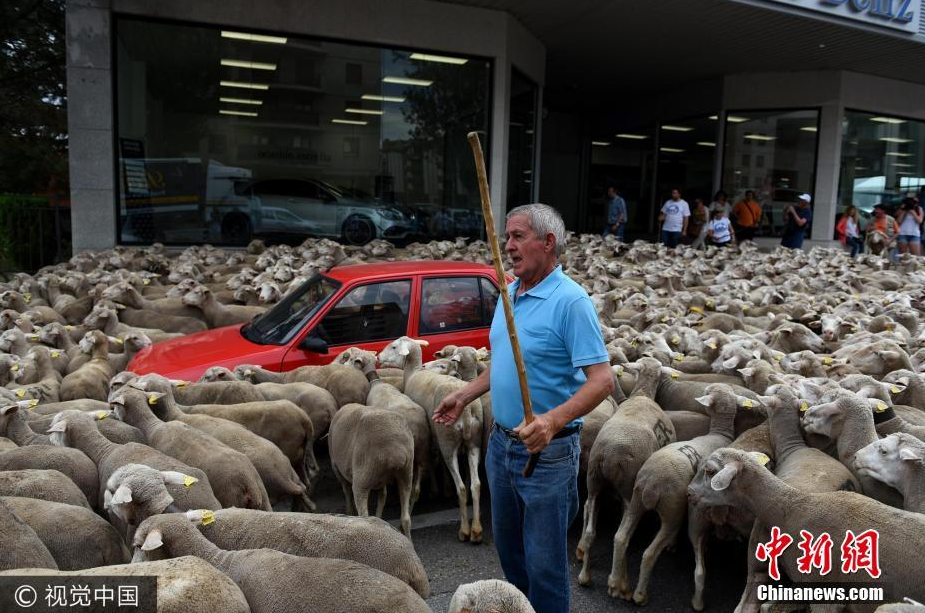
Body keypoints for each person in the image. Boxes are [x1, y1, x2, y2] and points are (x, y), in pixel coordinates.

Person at [433, 203, 613, 613]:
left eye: (517, 236)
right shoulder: (509, 293)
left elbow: (603, 380)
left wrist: (551, 421)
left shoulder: (571, 302)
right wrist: (466, 394)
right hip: (501, 446)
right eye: (506, 238)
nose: (507, 246)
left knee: (545, 568)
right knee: (511, 557)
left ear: (548, 243)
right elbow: (507, 362)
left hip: (547, 456)